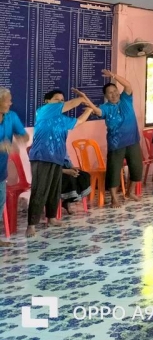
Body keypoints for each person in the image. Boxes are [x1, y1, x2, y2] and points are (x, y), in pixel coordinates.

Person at [26, 89, 94, 237]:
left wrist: (89, 110)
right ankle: (31, 225)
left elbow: (79, 122)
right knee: (40, 190)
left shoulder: (62, 119)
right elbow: (70, 104)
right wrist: (83, 98)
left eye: (62, 100)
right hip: (42, 157)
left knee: (54, 190)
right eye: (57, 99)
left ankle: (51, 218)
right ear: (48, 101)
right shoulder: (43, 111)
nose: (60, 102)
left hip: (57, 158)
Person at [88, 70, 143, 208]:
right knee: (114, 170)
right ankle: (114, 198)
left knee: (136, 168)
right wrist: (90, 105)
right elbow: (98, 112)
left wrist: (113, 76)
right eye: (110, 93)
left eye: (115, 91)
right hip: (116, 144)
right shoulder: (105, 107)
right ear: (106, 96)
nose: (114, 94)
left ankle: (129, 192)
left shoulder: (126, 99)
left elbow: (128, 85)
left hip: (133, 141)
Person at [0, 88, 29, 247]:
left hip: (1, 170)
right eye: (7, 100)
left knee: (0, 203)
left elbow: (23, 135)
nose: (10, 103)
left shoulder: (11, 116)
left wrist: (22, 138)